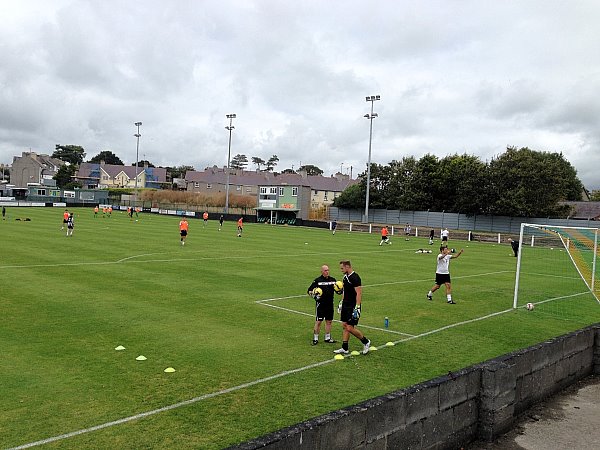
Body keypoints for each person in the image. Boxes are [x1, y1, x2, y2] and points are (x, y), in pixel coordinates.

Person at [334, 260, 371, 355]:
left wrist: (357, 307)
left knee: (350, 328)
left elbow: (359, 293)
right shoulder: (345, 277)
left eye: (342, 268)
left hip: (352, 306)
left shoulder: (355, 278)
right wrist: (341, 302)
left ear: (347, 267)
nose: (341, 270)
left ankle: (366, 342)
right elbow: (345, 291)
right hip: (346, 305)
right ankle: (344, 348)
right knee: (344, 326)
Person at [307, 265, 337, 346]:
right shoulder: (317, 281)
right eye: (325, 270)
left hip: (330, 304)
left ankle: (327, 337)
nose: (327, 272)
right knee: (318, 322)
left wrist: (340, 290)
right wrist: (315, 295)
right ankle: (315, 338)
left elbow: (338, 290)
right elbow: (309, 291)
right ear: (322, 271)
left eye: (328, 270)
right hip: (321, 305)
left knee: (329, 321)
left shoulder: (333, 280)